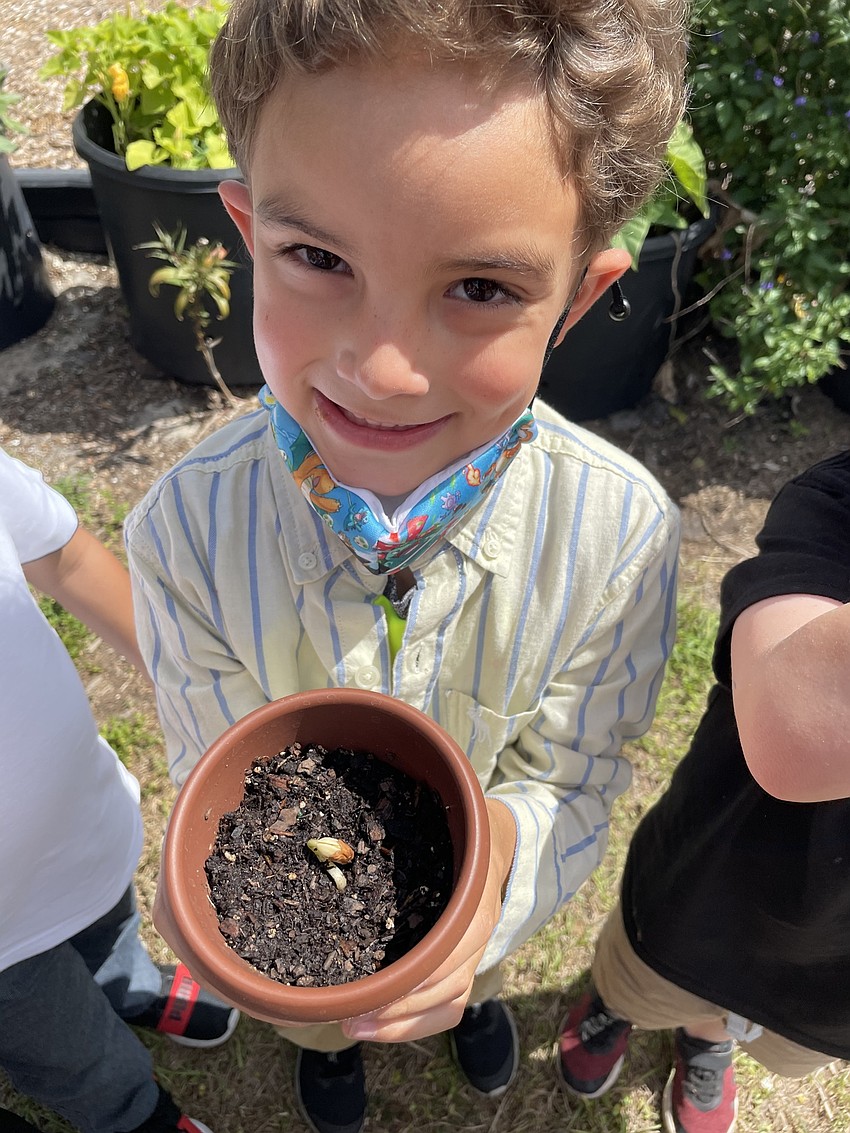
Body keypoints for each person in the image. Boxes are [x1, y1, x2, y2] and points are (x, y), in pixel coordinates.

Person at [125, 2, 686, 1131]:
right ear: (246, 230)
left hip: (475, 907)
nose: (381, 369)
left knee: (460, 970)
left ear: (577, 299)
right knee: (319, 1011)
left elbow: (572, 769)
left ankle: (474, 1004)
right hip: (298, 926)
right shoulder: (182, 530)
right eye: (318, 257)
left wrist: (484, 905)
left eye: (479, 288)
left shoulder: (619, 537)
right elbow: (220, 769)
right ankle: (325, 1044)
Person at [558, 451, 850, 1133]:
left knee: (783, 1038)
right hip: (711, 877)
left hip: (831, 984)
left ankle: (709, 1038)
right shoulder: (837, 504)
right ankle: (639, 1011)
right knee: (647, 975)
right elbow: (793, 729)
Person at [0, 447, 240, 1133]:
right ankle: (138, 1114)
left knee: (109, 919)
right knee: (63, 1043)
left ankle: (125, 981)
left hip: (78, 820)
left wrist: (184, 682)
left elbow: (63, 556)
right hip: (3, 942)